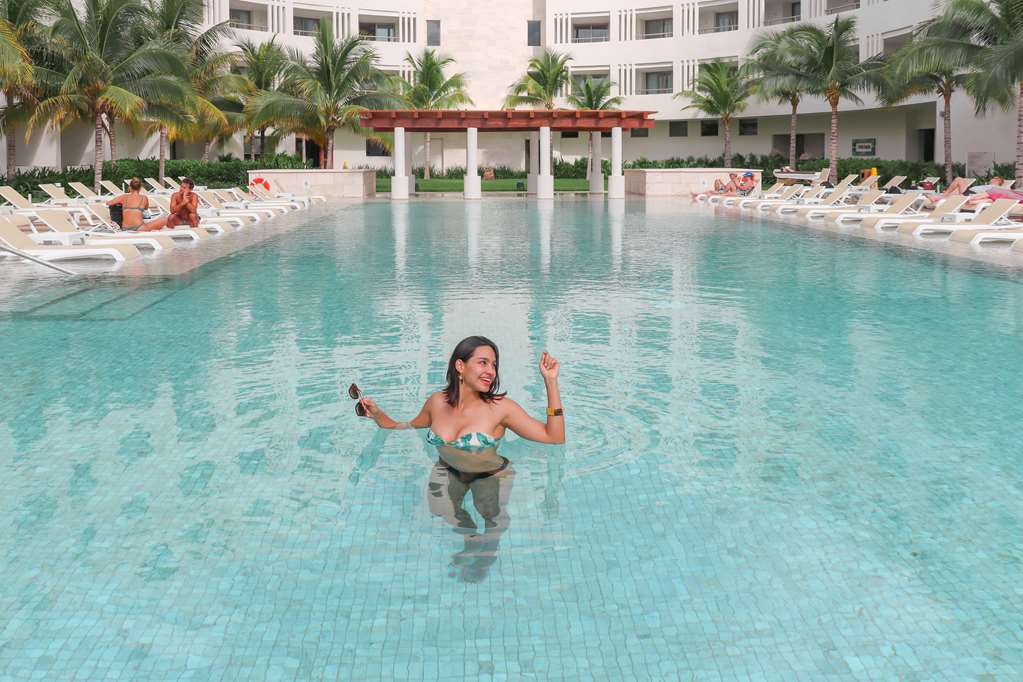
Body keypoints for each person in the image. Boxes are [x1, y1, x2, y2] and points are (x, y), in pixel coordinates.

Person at [355, 336, 564, 581]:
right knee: (440, 508)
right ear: (460, 366)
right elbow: (404, 426)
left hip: (489, 473)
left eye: (494, 365)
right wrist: (378, 414)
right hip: (447, 468)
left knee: (491, 515)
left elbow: (554, 437)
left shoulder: (501, 408)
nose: (491, 371)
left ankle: (489, 551)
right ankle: (471, 540)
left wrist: (551, 382)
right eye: (483, 362)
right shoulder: (436, 402)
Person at [137, 177, 201, 232]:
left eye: (184, 188)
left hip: (190, 220)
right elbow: (172, 211)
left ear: (190, 190)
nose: (181, 189)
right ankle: (170, 232)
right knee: (171, 216)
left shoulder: (194, 196)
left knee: (192, 215)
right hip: (179, 218)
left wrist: (186, 201)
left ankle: (196, 231)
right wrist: (183, 203)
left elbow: (193, 211)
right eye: (181, 186)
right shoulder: (175, 195)